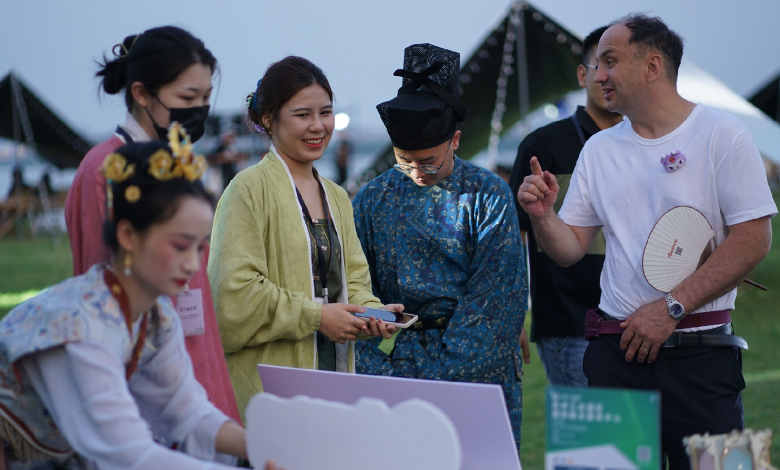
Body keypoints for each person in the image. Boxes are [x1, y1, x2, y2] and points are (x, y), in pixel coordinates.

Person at [516, 14, 776, 469]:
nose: (598, 76)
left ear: (653, 66)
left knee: (724, 467)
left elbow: (754, 239)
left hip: (704, 356)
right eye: (597, 65)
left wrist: (671, 308)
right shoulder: (598, 149)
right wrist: (544, 218)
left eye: (610, 62)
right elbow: (568, 249)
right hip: (614, 355)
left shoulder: (723, 134)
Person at [0, 128, 278, 470]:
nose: (193, 264)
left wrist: (265, 448)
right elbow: (128, 455)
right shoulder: (81, 326)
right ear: (128, 236)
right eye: (179, 245)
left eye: (199, 245)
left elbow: (187, 413)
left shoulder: (156, 315)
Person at [352, 43, 528, 448]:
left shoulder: (487, 194)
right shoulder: (373, 198)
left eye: (429, 161)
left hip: (480, 373)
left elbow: (496, 305)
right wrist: (383, 374)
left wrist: (422, 383)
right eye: (403, 160)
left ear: (456, 141)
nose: (416, 172)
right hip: (401, 365)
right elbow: (353, 290)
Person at [208, 56, 401, 420]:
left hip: (333, 384)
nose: (318, 126)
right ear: (269, 119)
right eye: (303, 115)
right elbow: (233, 296)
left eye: (325, 113)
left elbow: (353, 281)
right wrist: (316, 316)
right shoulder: (247, 190)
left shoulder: (338, 197)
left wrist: (369, 314)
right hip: (270, 390)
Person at [64, 26, 240, 423]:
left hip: (198, 367)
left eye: (206, 98)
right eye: (187, 98)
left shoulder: (179, 163)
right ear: (142, 94)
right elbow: (100, 285)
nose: (199, 110)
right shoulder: (106, 169)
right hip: (141, 383)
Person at [508, 26, 623, 387]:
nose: (609, 75)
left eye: (619, 65)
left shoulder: (648, 142)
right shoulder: (543, 145)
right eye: (601, 63)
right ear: (582, 73)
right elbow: (513, 237)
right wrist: (512, 319)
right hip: (572, 326)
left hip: (645, 321)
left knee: (641, 439)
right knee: (590, 442)